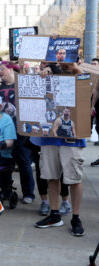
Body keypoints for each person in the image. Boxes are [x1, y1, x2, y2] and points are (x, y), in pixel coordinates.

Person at [34, 62, 85, 236]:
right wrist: (41, 75)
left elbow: (85, 81)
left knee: (74, 179)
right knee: (51, 177)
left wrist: (73, 67)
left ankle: (76, 217)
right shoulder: (43, 78)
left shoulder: (74, 75)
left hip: (71, 140)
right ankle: (55, 214)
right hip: (49, 138)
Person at [0, 61, 36, 205]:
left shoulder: (21, 83)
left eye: (2, 69)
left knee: (23, 161)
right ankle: (5, 189)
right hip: (2, 130)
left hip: (20, 129)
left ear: (11, 70)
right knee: (4, 161)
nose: (0, 72)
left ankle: (28, 193)